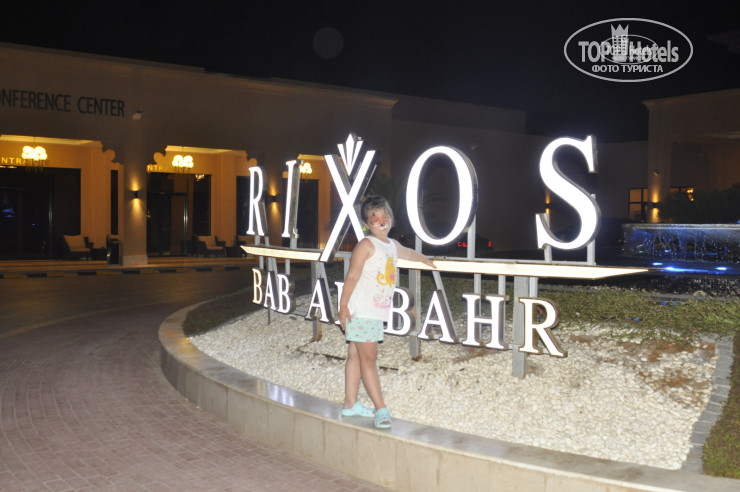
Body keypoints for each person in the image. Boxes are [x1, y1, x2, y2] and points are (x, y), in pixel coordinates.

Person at [338, 196, 435, 428]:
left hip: (372, 311)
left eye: (385, 217)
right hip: (362, 311)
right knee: (368, 360)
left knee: (355, 355)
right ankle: (381, 408)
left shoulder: (391, 245)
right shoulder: (366, 245)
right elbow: (352, 276)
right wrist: (343, 307)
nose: (382, 222)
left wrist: (425, 259)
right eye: (375, 220)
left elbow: (408, 252)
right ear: (366, 224)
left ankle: (350, 404)